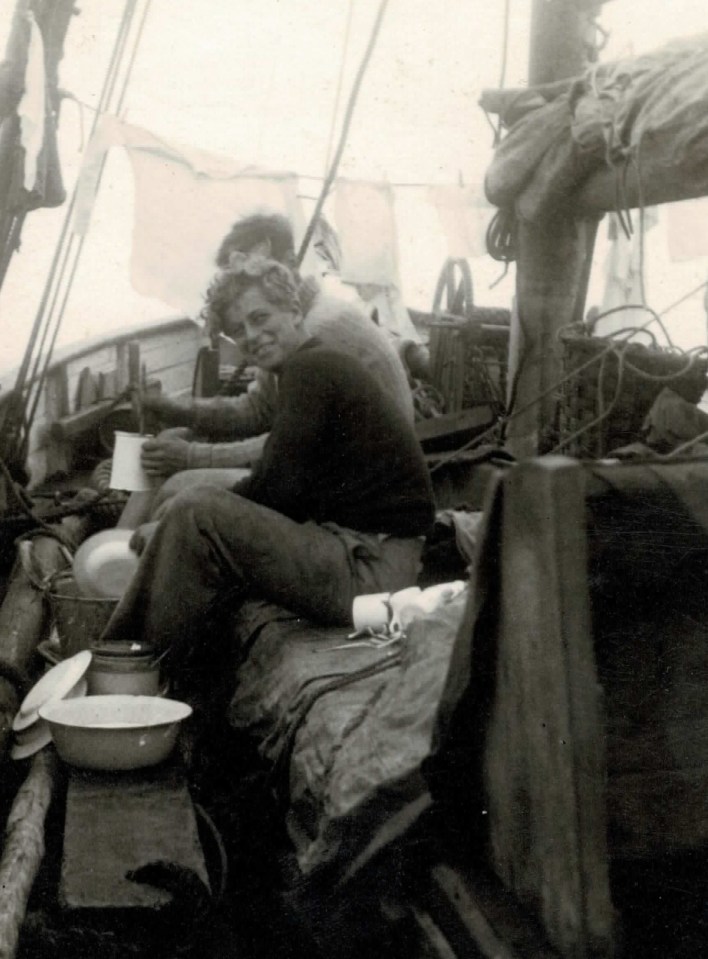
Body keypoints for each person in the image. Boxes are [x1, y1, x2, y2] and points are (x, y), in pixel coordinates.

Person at [101, 254, 434, 694]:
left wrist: (163, 526)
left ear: (295, 310)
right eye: (238, 330)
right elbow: (280, 483)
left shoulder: (312, 371)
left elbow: (275, 492)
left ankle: (126, 666)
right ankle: (138, 661)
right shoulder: (310, 366)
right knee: (194, 503)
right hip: (366, 554)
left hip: (371, 570)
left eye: (260, 318)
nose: (251, 337)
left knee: (195, 509)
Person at [138, 212, 414, 487]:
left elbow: (290, 444)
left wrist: (192, 457)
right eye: (236, 279)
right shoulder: (291, 327)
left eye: (256, 270)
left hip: (359, 480)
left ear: (290, 264)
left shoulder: (321, 327)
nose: (245, 287)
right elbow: (259, 408)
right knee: (169, 451)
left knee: (179, 483)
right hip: (327, 462)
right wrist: (176, 410)